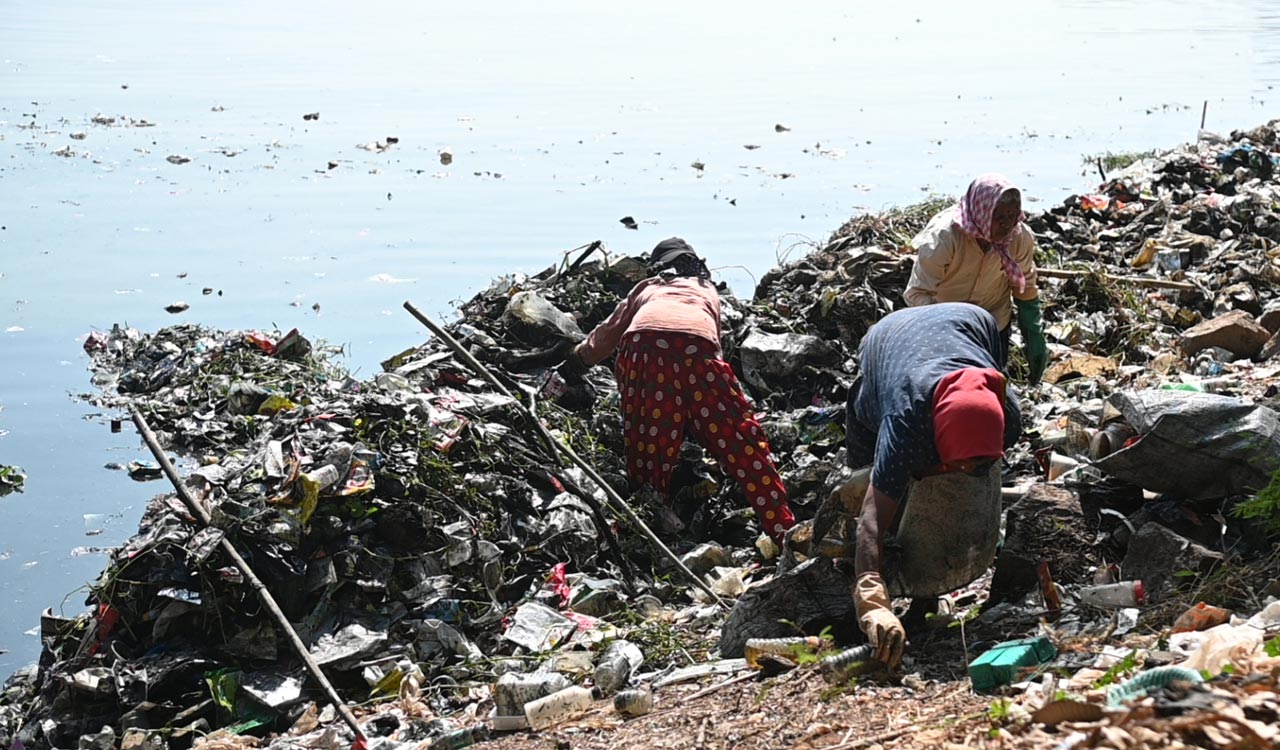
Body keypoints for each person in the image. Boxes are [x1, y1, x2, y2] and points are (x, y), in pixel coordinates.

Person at [559, 238, 797, 543]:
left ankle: (654, 532)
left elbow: (605, 338)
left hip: (643, 349)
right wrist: (702, 419)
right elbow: (712, 354)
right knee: (743, 443)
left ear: (658, 267)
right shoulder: (706, 290)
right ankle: (782, 529)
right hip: (697, 349)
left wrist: (574, 363)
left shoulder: (647, 287)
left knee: (648, 450)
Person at [844, 303, 1022, 667]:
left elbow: (980, 455)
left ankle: (929, 596)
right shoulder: (905, 424)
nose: (973, 472)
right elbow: (872, 520)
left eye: (983, 463)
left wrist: (969, 467)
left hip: (969, 319)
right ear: (938, 443)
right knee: (881, 480)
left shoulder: (1008, 416)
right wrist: (873, 601)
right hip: (887, 341)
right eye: (964, 464)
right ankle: (902, 590)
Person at [903, 174, 1048, 383]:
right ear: (983, 213)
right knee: (948, 387)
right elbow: (917, 293)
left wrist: (1033, 333)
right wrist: (946, 332)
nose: (1007, 225)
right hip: (946, 324)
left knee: (992, 386)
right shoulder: (945, 237)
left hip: (993, 322)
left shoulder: (1018, 236)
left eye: (1013, 216)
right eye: (1000, 218)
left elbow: (1024, 283)